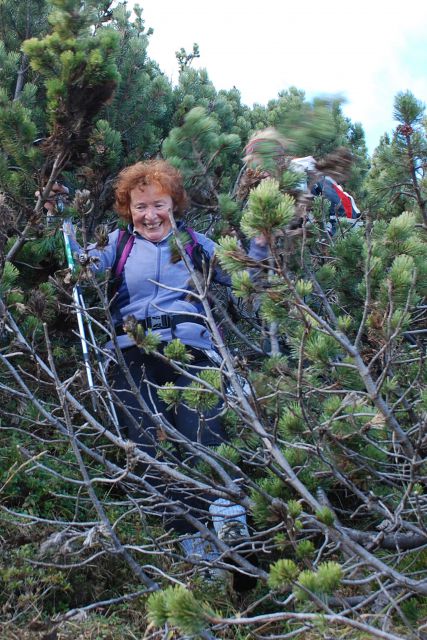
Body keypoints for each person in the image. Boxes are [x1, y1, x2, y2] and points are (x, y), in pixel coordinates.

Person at [67, 159, 256, 588]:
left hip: (193, 351)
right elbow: (84, 270)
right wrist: (68, 236)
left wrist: (263, 237)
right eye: (140, 206)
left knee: (206, 436)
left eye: (159, 204)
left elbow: (244, 274)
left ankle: (234, 538)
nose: (150, 215)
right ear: (127, 209)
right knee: (152, 449)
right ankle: (198, 556)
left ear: (174, 204)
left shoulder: (194, 242)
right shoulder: (118, 244)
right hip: (133, 354)